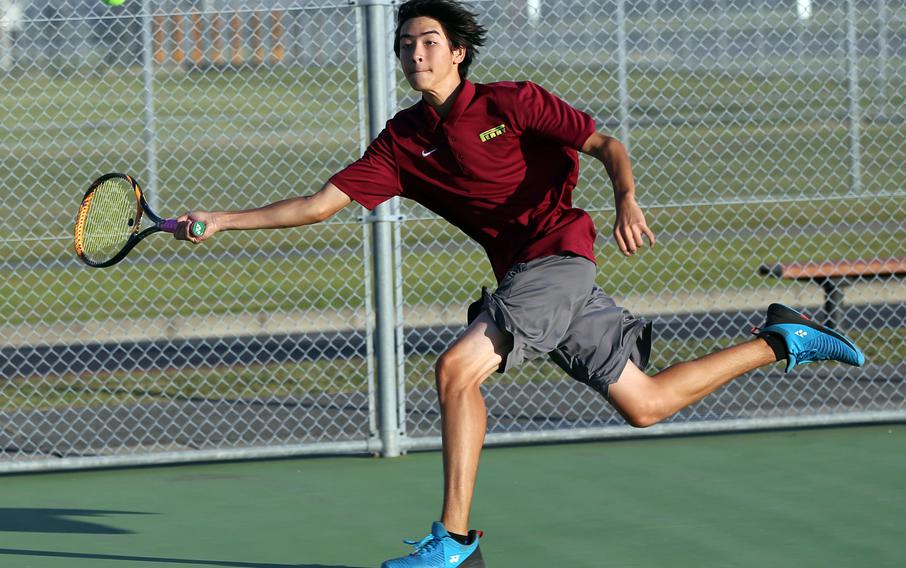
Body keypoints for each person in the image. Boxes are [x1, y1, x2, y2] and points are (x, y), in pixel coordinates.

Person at [174, 1, 865, 566]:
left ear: (458, 52)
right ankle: (781, 340)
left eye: (429, 42)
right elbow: (318, 204)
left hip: (560, 257)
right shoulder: (401, 142)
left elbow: (605, 144)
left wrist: (625, 196)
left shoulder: (515, 102)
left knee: (455, 369)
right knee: (647, 404)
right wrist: (224, 220)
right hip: (531, 279)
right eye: (406, 44)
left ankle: (452, 541)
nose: (415, 54)